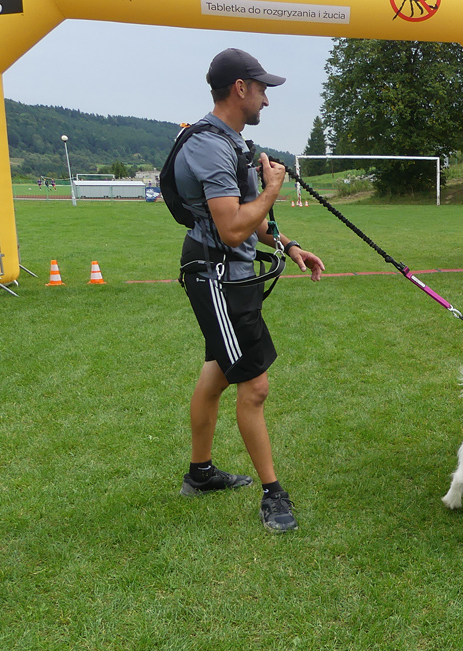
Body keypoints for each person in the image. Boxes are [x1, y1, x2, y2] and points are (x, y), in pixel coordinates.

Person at [175, 48, 325, 533]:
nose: (266, 99)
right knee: (254, 385)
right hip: (216, 277)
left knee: (218, 374)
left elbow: (250, 218)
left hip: (229, 274)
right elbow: (233, 227)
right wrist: (273, 189)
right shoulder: (210, 146)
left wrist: (289, 245)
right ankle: (273, 494)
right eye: (262, 89)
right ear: (239, 88)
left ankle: (200, 474)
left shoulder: (231, 141)